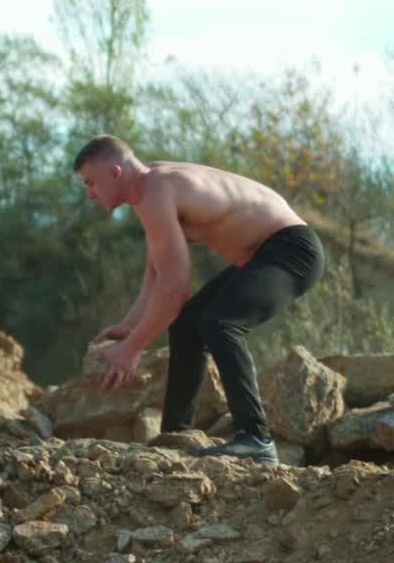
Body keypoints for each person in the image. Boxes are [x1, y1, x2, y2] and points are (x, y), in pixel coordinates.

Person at [75, 135, 326, 466]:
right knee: (188, 324)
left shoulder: (157, 189)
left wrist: (132, 349)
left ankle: (256, 439)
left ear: (115, 172)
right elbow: (156, 273)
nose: (90, 194)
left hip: (292, 250)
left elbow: (175, 288)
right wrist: (129, 325)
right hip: (264, 255)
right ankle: (175, 437)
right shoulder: (147, 192)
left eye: (91, 183)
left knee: (219, 323)